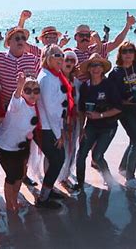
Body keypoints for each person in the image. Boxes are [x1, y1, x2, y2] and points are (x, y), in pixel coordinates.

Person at [109, 9, 136, 190]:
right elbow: (112, 98)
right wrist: (125, 102)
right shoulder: (116, 73)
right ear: (120, 54)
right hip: (126, 111)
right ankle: (130, 177)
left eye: (131, 51)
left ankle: (123, 168)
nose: (129, 54)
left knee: (135, 140)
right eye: (125, 51)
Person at [75, 53, 122, 190]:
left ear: (103, 69)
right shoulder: (85, 86)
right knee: (81, 154)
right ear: (88, 69)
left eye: (99, 65)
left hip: (108, 126)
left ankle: (109, 179)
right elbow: (82, 110)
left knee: (97, 155)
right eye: (93, 65)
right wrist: (82, 128)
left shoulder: (109, 85)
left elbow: (118, 108)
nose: (96, 68)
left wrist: (100, 115)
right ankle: (80, 185)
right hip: (91, 126)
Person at [34, 44, 72, 209]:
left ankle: (47, 191)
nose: (60, 58)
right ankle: (43, 198)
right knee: (58, 159)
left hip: (48, 126)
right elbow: (51, 109)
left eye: (62, 55)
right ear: (47, 58)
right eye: (56, 55)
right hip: (45, 128)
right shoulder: (47, 78)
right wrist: (59, 134)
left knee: (56, 159)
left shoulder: (53, 75)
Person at [0, 72, 40, 211]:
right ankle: (9, 204)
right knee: (12, 176)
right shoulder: (18, 104)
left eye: (36, 90)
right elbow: (16, 97)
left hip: (22, 146)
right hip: (6, 146)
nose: (32, 94)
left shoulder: (37, 107)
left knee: (20, 176)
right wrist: (19, 86)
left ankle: (14, 199)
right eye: (28, 90)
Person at [57, 50, 82, 188]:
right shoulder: (55, 80)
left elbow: (79, 104)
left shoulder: (77, 83)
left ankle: (65, 176)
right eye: (67, 59)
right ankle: (57, 178)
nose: (69, 63)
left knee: (72, 148)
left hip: (74, 121)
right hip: (59, 121)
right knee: (60, 150)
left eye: (72, 61)